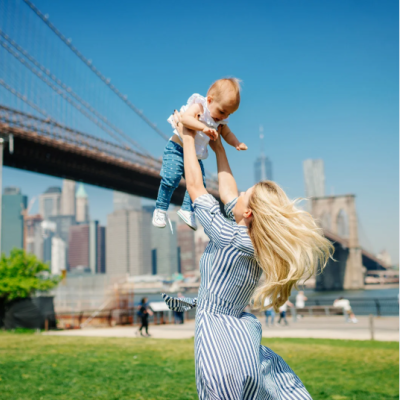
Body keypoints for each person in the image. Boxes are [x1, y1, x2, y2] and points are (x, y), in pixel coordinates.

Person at [162, 111, 334, 399]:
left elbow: (195, 187)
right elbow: (230, 194)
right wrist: (217, 148)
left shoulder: (228, 236)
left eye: (245, 193)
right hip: (241, 333)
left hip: (217, 330)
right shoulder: (255, 242)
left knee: (221, 388)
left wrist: (187, 135)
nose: (237, 192)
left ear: (249, 212)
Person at [152, 78, 247, 231]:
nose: (223, 117)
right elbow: (186, 119)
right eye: (222, 111)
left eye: (228, 114)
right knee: (171, 178)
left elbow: (227, 134)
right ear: (209, 100)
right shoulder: (199, 106)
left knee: (200, 185)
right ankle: (161, 209)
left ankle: (187, 210)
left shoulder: (220, 120)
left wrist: (236, 143)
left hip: (195, 156)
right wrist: (203, 128)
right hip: (177, 148)